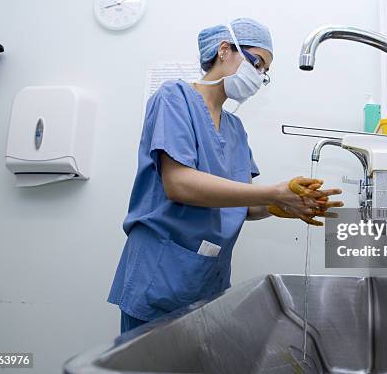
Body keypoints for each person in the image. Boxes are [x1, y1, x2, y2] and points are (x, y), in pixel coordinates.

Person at [107, 18, 343, 334]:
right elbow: (178, 184)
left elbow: (242, 203)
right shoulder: (174, 98)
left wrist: (284, 205)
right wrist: (273, 192)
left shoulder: (235, 129)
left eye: (264, 72)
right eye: (256, 63)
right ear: (224, 49)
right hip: (160, 271)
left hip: (204, 280)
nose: (258, 76)